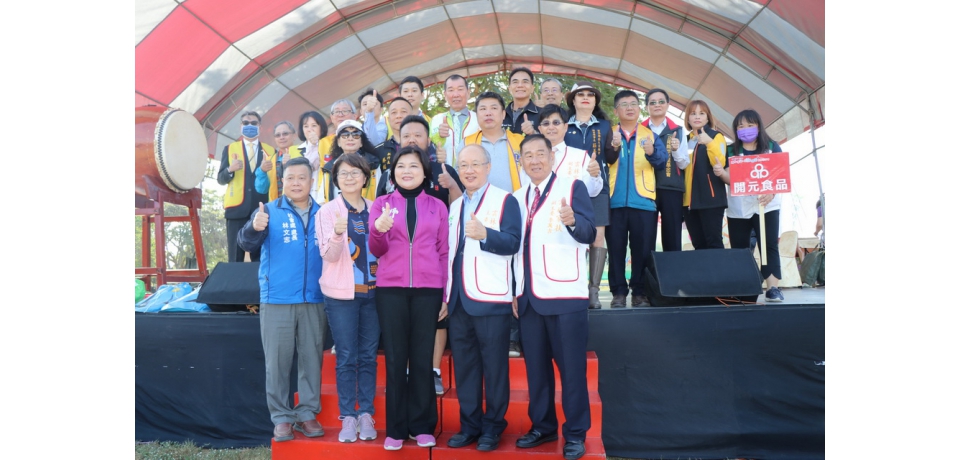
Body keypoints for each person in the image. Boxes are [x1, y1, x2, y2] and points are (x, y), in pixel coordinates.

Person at [512, 134, 595, 460]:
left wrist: (574, 221)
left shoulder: (572, 188)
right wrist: (515, 292)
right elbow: (516, 250)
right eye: (527, 155)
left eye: (539, 154)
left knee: (572, 371)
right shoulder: (517, 197)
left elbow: (589, 232)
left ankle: (575, 434)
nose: (534, 160)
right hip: (529, 297)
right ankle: (543, 426)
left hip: (565, 296)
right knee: (536, 370)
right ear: (521, 161)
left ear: (551, 157)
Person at [236, 156, 326, 443]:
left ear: (311, 182)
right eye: (291, 178)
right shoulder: (268, 212)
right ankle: (282, 417)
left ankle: (307, 412)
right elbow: (246, 243)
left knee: (311, 359)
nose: (296, 182)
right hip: (276, 298)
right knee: (277, 362)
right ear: (282, 182)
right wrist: (254, 227)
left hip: (314, 297)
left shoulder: (325, 214)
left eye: (302, 177)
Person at [369, 145, 449, 451]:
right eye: (401, 166)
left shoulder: (437, 206)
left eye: (413, 166)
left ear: (424, 171)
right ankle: (396, 429)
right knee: (395, 359)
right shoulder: (382, 204)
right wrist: (379, 230)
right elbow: (376, 249)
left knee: (421, 359)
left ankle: (423, 426)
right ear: (393, 173)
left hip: (428, 291)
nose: (407, 171)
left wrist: (444, 294)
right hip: (391, 290)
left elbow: (443, 252)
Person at [443, 144, 522, 452]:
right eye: (463, 165)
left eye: (476, 164)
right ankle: (470, 426)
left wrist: (486, 234)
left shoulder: (506, 201)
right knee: (465, 368)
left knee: (494, 369)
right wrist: (445, 295)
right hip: (459, 300)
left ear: (488, 167)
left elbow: (514, 243)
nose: (469, 170)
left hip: (491, 300)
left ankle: (493, 427)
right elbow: (450, 255)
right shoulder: (455, 207)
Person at [379, 114, 464, 394]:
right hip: (395, 276)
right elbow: (377, 238)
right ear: (398, 139)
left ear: (428, 140)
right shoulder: (388, 181)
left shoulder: (443, 169)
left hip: (433, 266)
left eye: (418, 134)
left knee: (435, 323)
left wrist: (451, 184)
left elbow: (458, 208)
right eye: (407, 135)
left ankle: (434, 369)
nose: (412, 139)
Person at [316, 154, 380, 443]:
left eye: (356, 172)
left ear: (365, 177)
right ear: (336, 179)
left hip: (375, 294)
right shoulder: (327, 212)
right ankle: (347, 417)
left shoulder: (378, 208)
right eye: (344, 173)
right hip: (342, 296)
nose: (350, 177)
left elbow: (385, 250)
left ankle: (366, 413)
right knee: (346, 357)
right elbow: (328, 256)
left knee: (368, 356)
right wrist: (339, 234)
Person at [465, 91, 526, 358]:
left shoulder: (518, 142)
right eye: (482, 109)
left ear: (504, 113)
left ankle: (513, 336)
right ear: (476, 116)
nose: (488, 113)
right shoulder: (467, 143)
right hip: (478, 213)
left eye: (494, 108)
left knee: (514, 271)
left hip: (511, 210)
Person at [606, 90, 668, 308]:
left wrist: (652, 152)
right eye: (624, 104)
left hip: (643, 202)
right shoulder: (610, 133)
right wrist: (612, 146)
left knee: (642, 250)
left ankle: (640, 293)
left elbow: (661, 163)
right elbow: (604, 158)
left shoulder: (650, 135)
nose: (630, 108)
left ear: (639, 109)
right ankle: (618, 293)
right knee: (615, 250)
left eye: (633, 104)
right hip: (614, 202)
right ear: (616, 110)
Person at [717, 109, 785, 302]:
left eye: (750, 125)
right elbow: (729, 178)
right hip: (738, 206)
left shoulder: (771, 147)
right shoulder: (731, 150)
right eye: (740, 126)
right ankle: (744, 287)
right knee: (740, 247)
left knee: (769, 244)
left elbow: (780, 173)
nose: (745, 129)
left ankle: (772, 288)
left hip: (767, 204)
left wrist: (771, 191)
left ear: (758, 126)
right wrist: (721, 173)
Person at [564, 81, 616, 309]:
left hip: (598, 189)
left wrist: (615, 147)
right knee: (570, 236)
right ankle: (572, 286)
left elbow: (611, 159)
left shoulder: (605, 126)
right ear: (572, 100)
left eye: (590, 95)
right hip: (569, 188)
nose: (585, 98)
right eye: (580, 94)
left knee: (597, 237)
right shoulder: (563, 125)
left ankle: (593, 292)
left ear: (595, 101)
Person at [217, 110, 273, 262]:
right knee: (235, 257)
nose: (250, 126)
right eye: (246, 123)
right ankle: (235, 285)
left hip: (261, 209)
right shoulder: (229, 149)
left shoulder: (270, 150)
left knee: (261, 255)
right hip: (236, 209)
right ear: (240, 127)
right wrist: (230, 170)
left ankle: (260, 285)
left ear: (260, 127)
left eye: (253, 123)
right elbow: (220, 179)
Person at [640, 88, 689, 252]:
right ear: (647, 107)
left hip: (671, 188)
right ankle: (646, 276)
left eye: (661, 101)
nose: (657, 105)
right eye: (652, 102)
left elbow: (683, 164)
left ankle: (674, 276)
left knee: (672, 237)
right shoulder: (640, 130)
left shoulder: (679, 130)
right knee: (645, 237)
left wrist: (675, 150)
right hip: (645, 189)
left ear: (668, 104)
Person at [682, 100, 727, 250]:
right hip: (689, 201)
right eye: (693, 113)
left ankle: (720, 274)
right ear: (688, 118)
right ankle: (704, 274)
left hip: (711, 199)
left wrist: (709, 143)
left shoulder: (716, 136)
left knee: (713, 242)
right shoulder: (685, 140)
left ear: (708, 118)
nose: (697, 117)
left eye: (702, 113)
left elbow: (720, 162)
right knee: (698, 244)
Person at [534, 104, 603, 198]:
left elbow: (592, 192)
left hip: (571, 210)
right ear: (540, 129)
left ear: (565, 127)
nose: (551, 127)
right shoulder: (532, 157)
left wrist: (594, 176)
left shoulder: (580, 156)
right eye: (546, 123)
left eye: (556, 123)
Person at [319, 120, 381, 202]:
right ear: (338, 142)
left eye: (356, 135)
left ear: (361, 142)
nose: (350, 138)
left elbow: (379, 194)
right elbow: (322, 199)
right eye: (345, 135)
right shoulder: (329, 167)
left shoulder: (373, 164)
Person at [429, 74, 479, 167]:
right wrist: (437, 154)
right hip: (444, 176)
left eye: (460, 89)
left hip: (473, 175)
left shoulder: (479, 119)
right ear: (445, 94)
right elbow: (427, 148)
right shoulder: (436, 120)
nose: (456, 95)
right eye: (451, 90)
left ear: (468, 92)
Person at [255, 121, 302, 201]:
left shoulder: (304, 152)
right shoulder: (269, 160)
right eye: (277, 135)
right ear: (275, 139)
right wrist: (262, 171)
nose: (281, 137)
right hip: (278, 207)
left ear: (294, 136)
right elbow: (262, 189)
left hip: (301, 203)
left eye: (285, 134)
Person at [297, 111, 330, 204]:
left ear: (321, 127)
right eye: (306, 126)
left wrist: (316, 144)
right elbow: (307, 168)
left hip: (324, 195)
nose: (310, 129)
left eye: (314, 125)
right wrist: (312, 144)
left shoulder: (329, 146)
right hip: (303, 196)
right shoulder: (295, 150)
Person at [503, 67, 541, 135]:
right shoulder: (500, 115)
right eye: (515, 82)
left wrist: (534, 133)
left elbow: (552, 142)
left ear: (532, 88)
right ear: (509, 89)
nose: (520, 85)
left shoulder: (543, 114)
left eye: (525, 82)